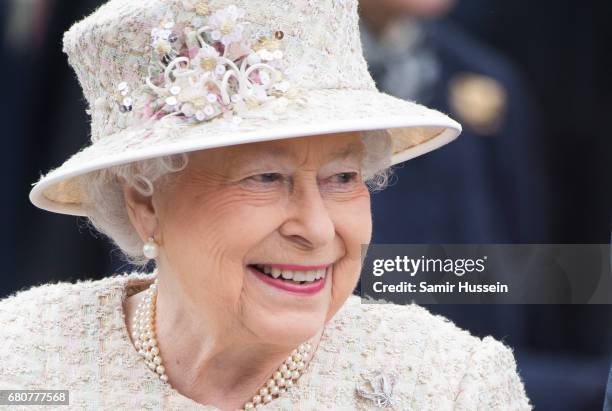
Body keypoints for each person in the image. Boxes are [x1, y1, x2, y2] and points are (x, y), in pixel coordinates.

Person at [0, 0, 530, 409]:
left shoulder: (452, 385)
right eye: (265, 178)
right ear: (145, 203)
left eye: (343, 176)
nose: (318, 229)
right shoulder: (21, 364)